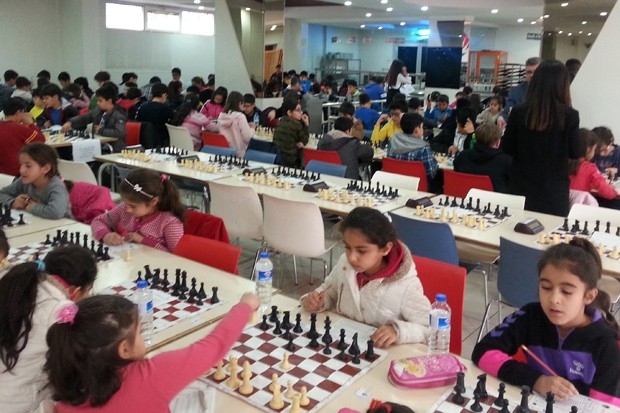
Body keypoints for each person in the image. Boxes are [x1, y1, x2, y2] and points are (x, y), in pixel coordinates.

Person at [45, 292, 259, 413]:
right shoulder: (149, 376)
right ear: (125, 349)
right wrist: (245, 306)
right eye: (140, 331)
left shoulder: (65, 387)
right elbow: (213, 346)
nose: (142, 336)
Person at [472, 238, 620, 404]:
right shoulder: (529, 316)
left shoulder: (606, 345)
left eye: (566, 291)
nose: (554, 299)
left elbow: (606, 407)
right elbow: (482, 352)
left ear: (588, 296)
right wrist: (536, 380)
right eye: (546, 287)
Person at [300, 207, 431, 348]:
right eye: (347, 247)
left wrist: (398, 331)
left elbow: (432, 329)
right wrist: (316, 301)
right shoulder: (345, 263)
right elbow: (329, 291)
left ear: (386, 249)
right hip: (344, 344)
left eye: (362, 251)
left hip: (382, 352)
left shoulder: (406, 284)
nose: (352, 257)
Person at [0, 245, 98, 413]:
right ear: (75, 291)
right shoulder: (60, 310)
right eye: (88, 290)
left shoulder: (13, 282)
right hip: (15, 404)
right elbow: (72, 368)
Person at [501, 60, 580, 216]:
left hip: (521, 186)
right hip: (554, 191)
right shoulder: (570, 115)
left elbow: (507, 148)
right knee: (551, 231)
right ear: (563, 85)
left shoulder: (518, 112)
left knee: (516, 228)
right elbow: (575, 152)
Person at [91, 168, 185, 252]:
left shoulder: (169, 222)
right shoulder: (124, 208)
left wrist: (142, 240)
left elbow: (176, 254)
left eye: (133, 206)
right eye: (125, 202)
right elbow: (99, 221)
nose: (127, 209)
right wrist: (105, 235)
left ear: (153, 201)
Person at [0, 143, 71, 219]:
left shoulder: (56, 186)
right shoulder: (24, 181)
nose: (21, 170)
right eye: (21, 165)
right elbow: (2, 193)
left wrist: (31, 207)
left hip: (62, 224)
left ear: (46, 168)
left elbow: (56, 212)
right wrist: (13, 202)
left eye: (28, 166)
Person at [61, 84, 128, 152]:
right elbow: (85, 117)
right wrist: (70, 122)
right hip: (99, 144)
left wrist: (101, 130)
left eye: (100, 101)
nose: (98, 103)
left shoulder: (119, 115)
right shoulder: (99, 110)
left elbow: (119, 132)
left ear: (109, 101)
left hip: (113, 148)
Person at [453, 123, 512, 193]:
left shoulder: (462, 156)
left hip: (463, 196)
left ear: (475, 139)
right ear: (497, 143)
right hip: (493, 198)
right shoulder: (506, 162)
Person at [0, 98, 45, 177]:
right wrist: (31, 124)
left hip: (2, 175)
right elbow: (41, 140)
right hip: (18, 173)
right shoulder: (19, 128)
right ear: (18, 112)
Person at [569, 128, 617, 201]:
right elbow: (609, 194)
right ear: (589, 149)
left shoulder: (563, 163)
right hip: (580, 205)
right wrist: (612, 190)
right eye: (594, 149)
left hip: (562, 204)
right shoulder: (590, 168)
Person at [387, 112, 438, 181]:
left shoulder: (392, 141)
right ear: (416, 130)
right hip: (417, 185)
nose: (423, 130)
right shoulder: (423, 148)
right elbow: (430, 173)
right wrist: (434, 162)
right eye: (422, 127)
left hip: (394, 182)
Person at [273, 98, 309, 167]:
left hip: (277, 158)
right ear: (289, 112)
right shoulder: (297, 125)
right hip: (291, 161)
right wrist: (306, 124)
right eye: (298, 110)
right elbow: (304, 141)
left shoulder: (280, 122)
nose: (301, 113)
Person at [217, 91, 255, 157]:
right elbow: (247, 137)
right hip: (238, 153)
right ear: (240, 103)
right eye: (243, 104)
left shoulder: (222, 116)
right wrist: (252, 128)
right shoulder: (240, 116)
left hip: (223, 151)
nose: (244, 107)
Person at [136, 83, 174, 148]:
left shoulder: (142, 107)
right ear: (164, 94)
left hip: (143, 140)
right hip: (159, 141)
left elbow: (137, 122)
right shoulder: (166, 109)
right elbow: (173, 123)